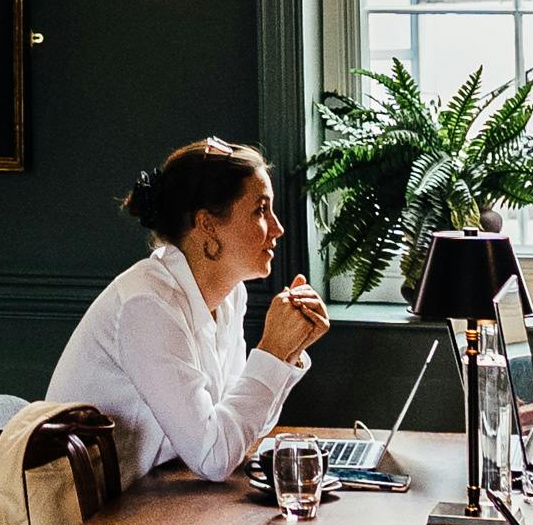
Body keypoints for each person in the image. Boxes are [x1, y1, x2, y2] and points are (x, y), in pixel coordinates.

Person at [43, 137, 331, 482]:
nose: (278, 228)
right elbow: (214, 457)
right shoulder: (148, 305)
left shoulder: (229, 296)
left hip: (151, 496)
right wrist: (273, 350)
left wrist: (287, 354)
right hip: (89, 517)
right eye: (260, 210)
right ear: (207, 224)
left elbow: (237, 428)